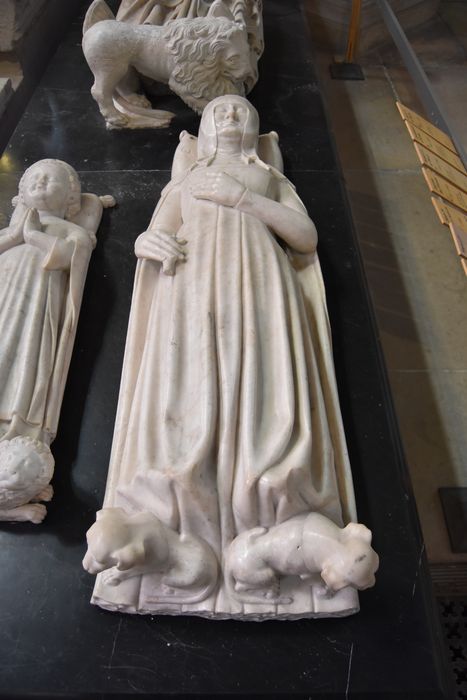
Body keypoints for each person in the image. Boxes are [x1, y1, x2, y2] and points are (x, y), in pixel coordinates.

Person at [92, 96, 358, 617]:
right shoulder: (187, 180)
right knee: (188, 392)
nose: (230, 116)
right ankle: (182, 527)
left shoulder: (268, 178)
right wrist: (150, 243)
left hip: (260, 286)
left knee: (263, 389)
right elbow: (155, 232)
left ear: (254, 126)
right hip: (193, 290)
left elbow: (304, 237)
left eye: (239, 110)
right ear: (207, 128)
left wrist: (243, 198)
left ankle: (271, 521)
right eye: (220, 111)